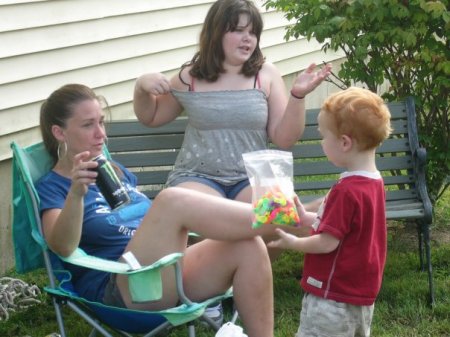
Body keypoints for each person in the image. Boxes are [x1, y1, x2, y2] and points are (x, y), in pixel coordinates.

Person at [36, 83, 294, 337]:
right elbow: (62, 246)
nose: (101, 134)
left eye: (101, 122)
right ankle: (283, 217)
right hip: (122, 290)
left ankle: (281, 217)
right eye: (87, 124)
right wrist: (76, 195)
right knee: (172, 200)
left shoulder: (114, 171)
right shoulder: (53, 187)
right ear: (60, 133)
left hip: (167, 274)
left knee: (248, 246)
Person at [133, 0, 331, 206]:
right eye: (238, 30)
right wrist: (141, 88)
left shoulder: (266, 74)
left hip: (253, 177)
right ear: (216, 33)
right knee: (217, 214)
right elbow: (152, 117)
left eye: (253, 33)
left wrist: (298, 96)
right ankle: (284, 222)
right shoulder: (190, 77)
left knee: (275, 214)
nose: (248, 39)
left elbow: (284, 139)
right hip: (197, 177)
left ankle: (273, 227)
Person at [268, 87, 392, 337]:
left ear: (345, 142)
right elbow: (346, 229)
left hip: (331, 297)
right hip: (359, 297)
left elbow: (327, 243)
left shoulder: (346, 190)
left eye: (324, 136)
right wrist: (307, 218)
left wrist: (292, 242)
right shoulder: (374, 182)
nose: (322, 142)